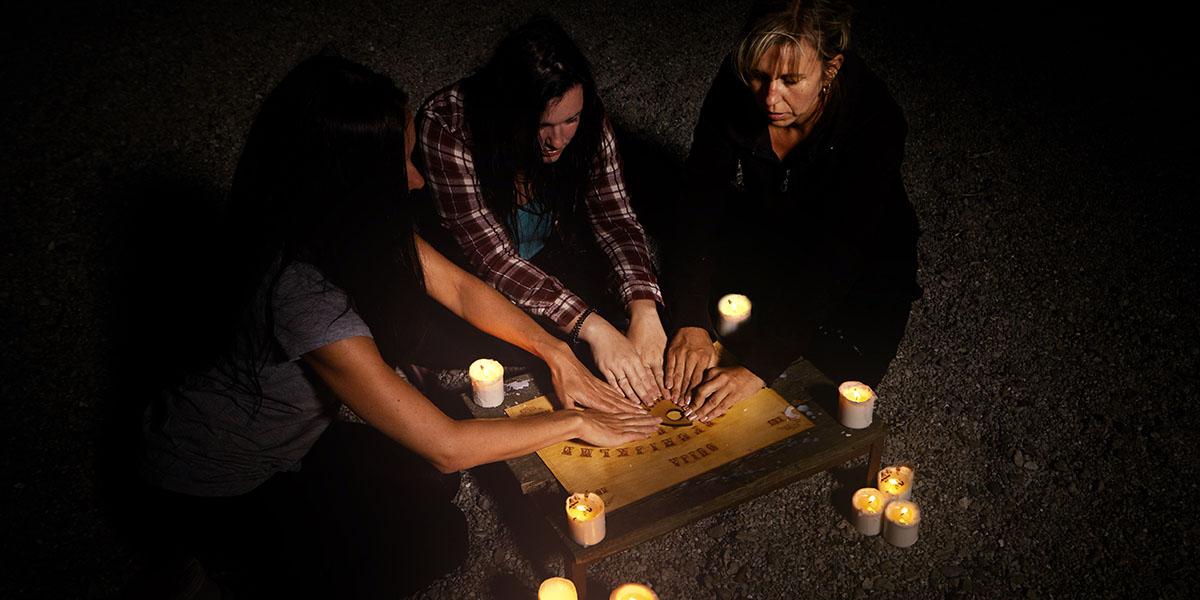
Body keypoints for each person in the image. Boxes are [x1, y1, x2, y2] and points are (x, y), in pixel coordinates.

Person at [138, 55, 660, 598]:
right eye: (403, 161)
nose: (417, 177)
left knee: (432, 485)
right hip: (214, 482)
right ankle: (212, 561)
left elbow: (461, 289)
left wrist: (559, 353)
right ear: (350, 180)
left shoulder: (341, 220)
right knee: (440, 539)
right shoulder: (302, 295)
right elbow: (447, 443)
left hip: (294, 441)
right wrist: (574, 424)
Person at [662, 0, 922, 422]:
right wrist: (690, 317)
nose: (769, 97)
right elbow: (698, 199)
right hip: (775, 237)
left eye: (791, 80)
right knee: (691, 340)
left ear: (831, 69)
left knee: (817, 397)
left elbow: (838, 255)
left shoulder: (876, 120)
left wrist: (755, 370)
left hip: (864, 264)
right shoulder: (736, 85)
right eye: (759, 76)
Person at [418, 17, 669, 406]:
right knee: (489, 350)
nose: (558, 140)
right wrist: (593, 326)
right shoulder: (448, 123)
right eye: (541, 125)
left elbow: (615, 216)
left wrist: (644, 306)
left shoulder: (584, 112)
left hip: (546, 253)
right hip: (469, 275)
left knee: (626, 323)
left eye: (571, 119)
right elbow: (493, 259)